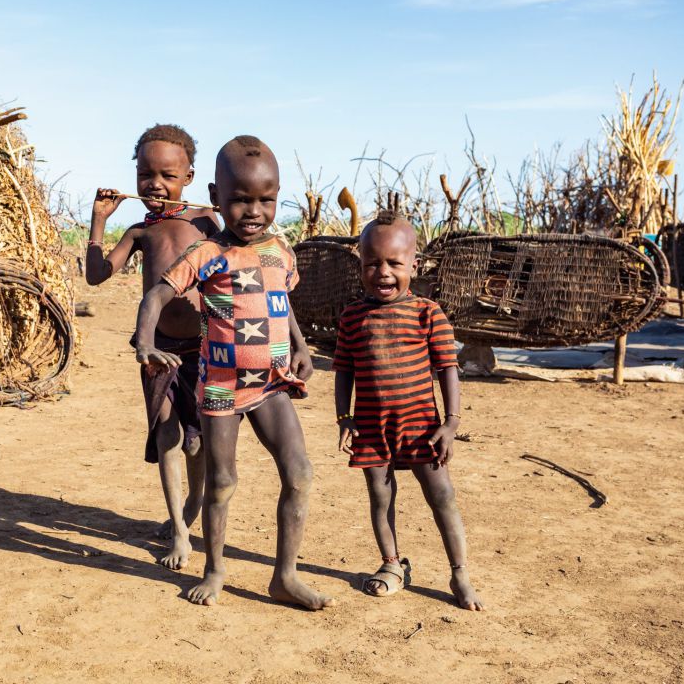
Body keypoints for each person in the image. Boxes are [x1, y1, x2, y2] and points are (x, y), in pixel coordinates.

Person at [135, 135, 333, 610]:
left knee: (300, 474)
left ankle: (284, 576)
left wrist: (302, 347)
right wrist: (144, 341)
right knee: (222, 483)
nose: (253, 211)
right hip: (222, 386)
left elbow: (281, 306)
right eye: (241, 199)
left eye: (266, 199)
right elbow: (157, 294)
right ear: (216, 196)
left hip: (271, 385)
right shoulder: (208, 252)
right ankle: (215, 569)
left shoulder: (281, 251)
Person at [334, 211, 483, 610]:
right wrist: (344, 418)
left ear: (413, 265)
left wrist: (451, 423)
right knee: (380, 498)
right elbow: (344, 370)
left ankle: (459, 573)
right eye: (372, 263)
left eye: (394, 263)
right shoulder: (352, 317)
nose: (383, 272)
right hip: (371, 427)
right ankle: (391, 565)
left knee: (443, 497)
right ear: (360, 265)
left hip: (422, 428)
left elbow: (448, 368)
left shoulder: (427, 313)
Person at [86, 123, 218, 570]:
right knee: (167, 434)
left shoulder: (207, 223)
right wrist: (99, 221)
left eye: (167, 175)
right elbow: (96, 275)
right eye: (146, 175)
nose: (155, 185)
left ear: (190, 178)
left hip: (205, 346)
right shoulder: (141, 232)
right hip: (157, 347)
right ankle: (179, 532)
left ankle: (193, 506)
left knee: (199, 443)